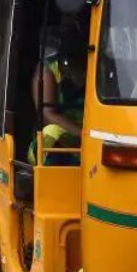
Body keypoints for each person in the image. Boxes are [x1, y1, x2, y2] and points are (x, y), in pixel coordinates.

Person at [27, 16, 87, 166]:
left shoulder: (101, 64)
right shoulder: (48, 68)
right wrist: (83, 134)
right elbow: (47, 115)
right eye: (67, 30)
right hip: (65, 135)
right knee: (51, 133)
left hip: (97, 132)